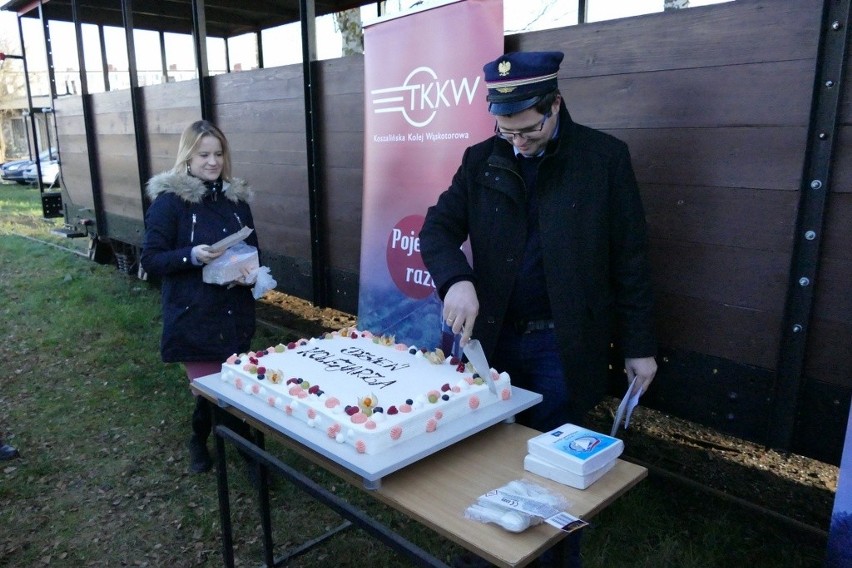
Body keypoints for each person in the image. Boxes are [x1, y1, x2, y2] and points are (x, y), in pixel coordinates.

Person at [422, 50, 656, 568]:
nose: (517, 142)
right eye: (506, 131)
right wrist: (456, 279)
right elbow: (437, 230)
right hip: (494, 341)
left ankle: (552, 560)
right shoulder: (481, 159)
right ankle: (484, 552)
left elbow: (631, 261)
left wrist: (640, 346)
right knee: (483, 454)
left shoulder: (604, 159)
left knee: (553, 468)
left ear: (555, 104)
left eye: (527, 129)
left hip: (563, 344)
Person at [141, 120, 259, 474]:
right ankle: (252, 458)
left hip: (233, 312)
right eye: (203, 154)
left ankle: (197, 440)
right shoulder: (170, 202)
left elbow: (253, 249)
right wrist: (191, 256)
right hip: (193, 316)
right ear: (187, 157)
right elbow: (150, 258)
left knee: (221, 388)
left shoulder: (235, 200)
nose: (212, 162)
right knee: (218, 393)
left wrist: (251, 275)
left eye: (218, 154)